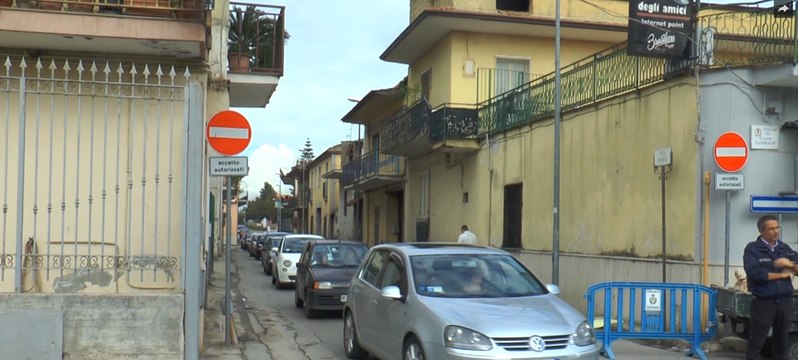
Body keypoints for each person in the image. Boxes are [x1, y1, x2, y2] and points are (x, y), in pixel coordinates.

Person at [743, 214, 798, 360]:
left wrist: (790, 265)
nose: (776, 231)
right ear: (762, 230)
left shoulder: (785, 249)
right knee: (757, 343)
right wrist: (781, 275)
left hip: (785, 301)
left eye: (777, 228)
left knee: (781, 343)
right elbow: (756, 274)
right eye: (771, 228)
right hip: (763, 302)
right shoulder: (753, 249)